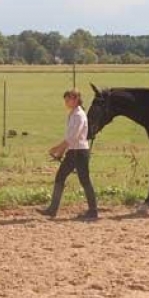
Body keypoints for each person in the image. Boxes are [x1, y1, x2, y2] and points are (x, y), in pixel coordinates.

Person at [39, 90, 98, 221]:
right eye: (65, 100)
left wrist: (57, 149)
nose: (66, 102)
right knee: (63, 177)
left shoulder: (78, 116)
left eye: (68, 99)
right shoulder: (74, 114)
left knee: (83, 180)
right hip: (75, 152)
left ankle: (92, 211)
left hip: (78, 152)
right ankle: (53, 209)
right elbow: (71, 139)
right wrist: (60, 151)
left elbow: (72, 138)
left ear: (76, 99)